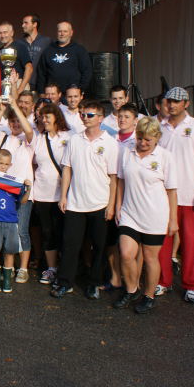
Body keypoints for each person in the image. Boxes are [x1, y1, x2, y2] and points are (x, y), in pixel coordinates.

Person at [53, 100, 119, 299]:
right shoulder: (75, 140)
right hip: (75, 203)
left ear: (100, 118)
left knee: (98, 247)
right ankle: (65, 282)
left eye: (90, 115)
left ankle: (94, 283)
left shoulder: (110, 143)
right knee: (70, 245)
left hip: (100, 203)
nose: (85, 118)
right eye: (83, 114)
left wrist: (111, 205)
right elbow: (67, 168)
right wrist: (63, 196)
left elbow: (114, 177)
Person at [114, 117, 178, 314]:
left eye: (148, 140)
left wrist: (173, 220)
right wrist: (118, 206)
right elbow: (121, 181)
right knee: (126, 254)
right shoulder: (127, 151)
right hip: (130, 213)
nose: (142, 143)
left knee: (150, 258)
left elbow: (172, 191)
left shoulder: (165, 157)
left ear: (157, 138)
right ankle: (131, 289)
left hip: (154, 216)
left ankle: (149, 296)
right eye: (140, 138)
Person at [155, 87, 194, 304]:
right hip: (163, 196)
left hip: (189, 195)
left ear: (186, 104)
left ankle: (191, 285)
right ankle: (163, 281)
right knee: (163, 243)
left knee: (189, 243)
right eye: (169, 101)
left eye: (177, 101)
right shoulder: (158, 127)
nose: (172, 105)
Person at [0, 94, 36, 284]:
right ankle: (9, 267)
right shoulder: (4, 137)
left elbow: (28, 129)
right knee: (7, 231)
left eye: (18, 121)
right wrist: (4, 111)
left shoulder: (29, 140)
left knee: (21, 230)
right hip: (4, 193)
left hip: (23, 193)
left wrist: (15, 107)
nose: (16, 124)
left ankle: (23, 268)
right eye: (13, 121)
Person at [31, 103, 71, 285]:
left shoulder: (68, 137)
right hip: (42, 194)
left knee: (64, 233)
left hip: (64, 195)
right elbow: (34, 164)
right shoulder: (39, 138)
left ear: (57, 117)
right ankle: (51, 268)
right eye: (42, 117)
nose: (44, 120)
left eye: (48, 117)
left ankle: (66, 268)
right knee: (47, 232)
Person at [104, 102, 140, 291]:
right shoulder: (111, 139)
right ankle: (116, 277)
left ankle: (135, 281)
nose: (122, 120)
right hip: (113, 193)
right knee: (111, 241)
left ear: (135, 120)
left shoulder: (139, 141)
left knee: (135, 244)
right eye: (120, 117)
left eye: (127, 117)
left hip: (133, 196)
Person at [0, 149, 32, 293]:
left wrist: (28, 189)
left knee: (10, 252)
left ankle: (6, 281)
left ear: (10, 165)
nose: (3, 166)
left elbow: (23, 201)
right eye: (1, 163)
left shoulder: (14, 182)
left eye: (6, 164)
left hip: (11, 222)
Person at [35, 22, 92, 94]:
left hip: (72, 94)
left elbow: (87, 71)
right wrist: (41, 92)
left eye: (65, 31)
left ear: (71, 33)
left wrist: (81, 89)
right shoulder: (48, 51)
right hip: (52, 94)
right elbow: (41, 73)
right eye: (60, 31)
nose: (62, 34)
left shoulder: (79, 50)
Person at [0, 21, 33, 94]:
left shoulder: (20, 46)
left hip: (18, 84)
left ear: (12, 33)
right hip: (3, 86)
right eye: (0, 33)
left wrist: (20, 89)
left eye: (5, 32)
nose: (2, 35)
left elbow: (29, 68)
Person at [20, 14, 52, 88]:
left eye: (26, 23)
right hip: (23, 85)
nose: (22, 25)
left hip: (41, 85)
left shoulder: (46, 41)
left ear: (34, 24)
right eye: (22, 23)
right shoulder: (19, 43)